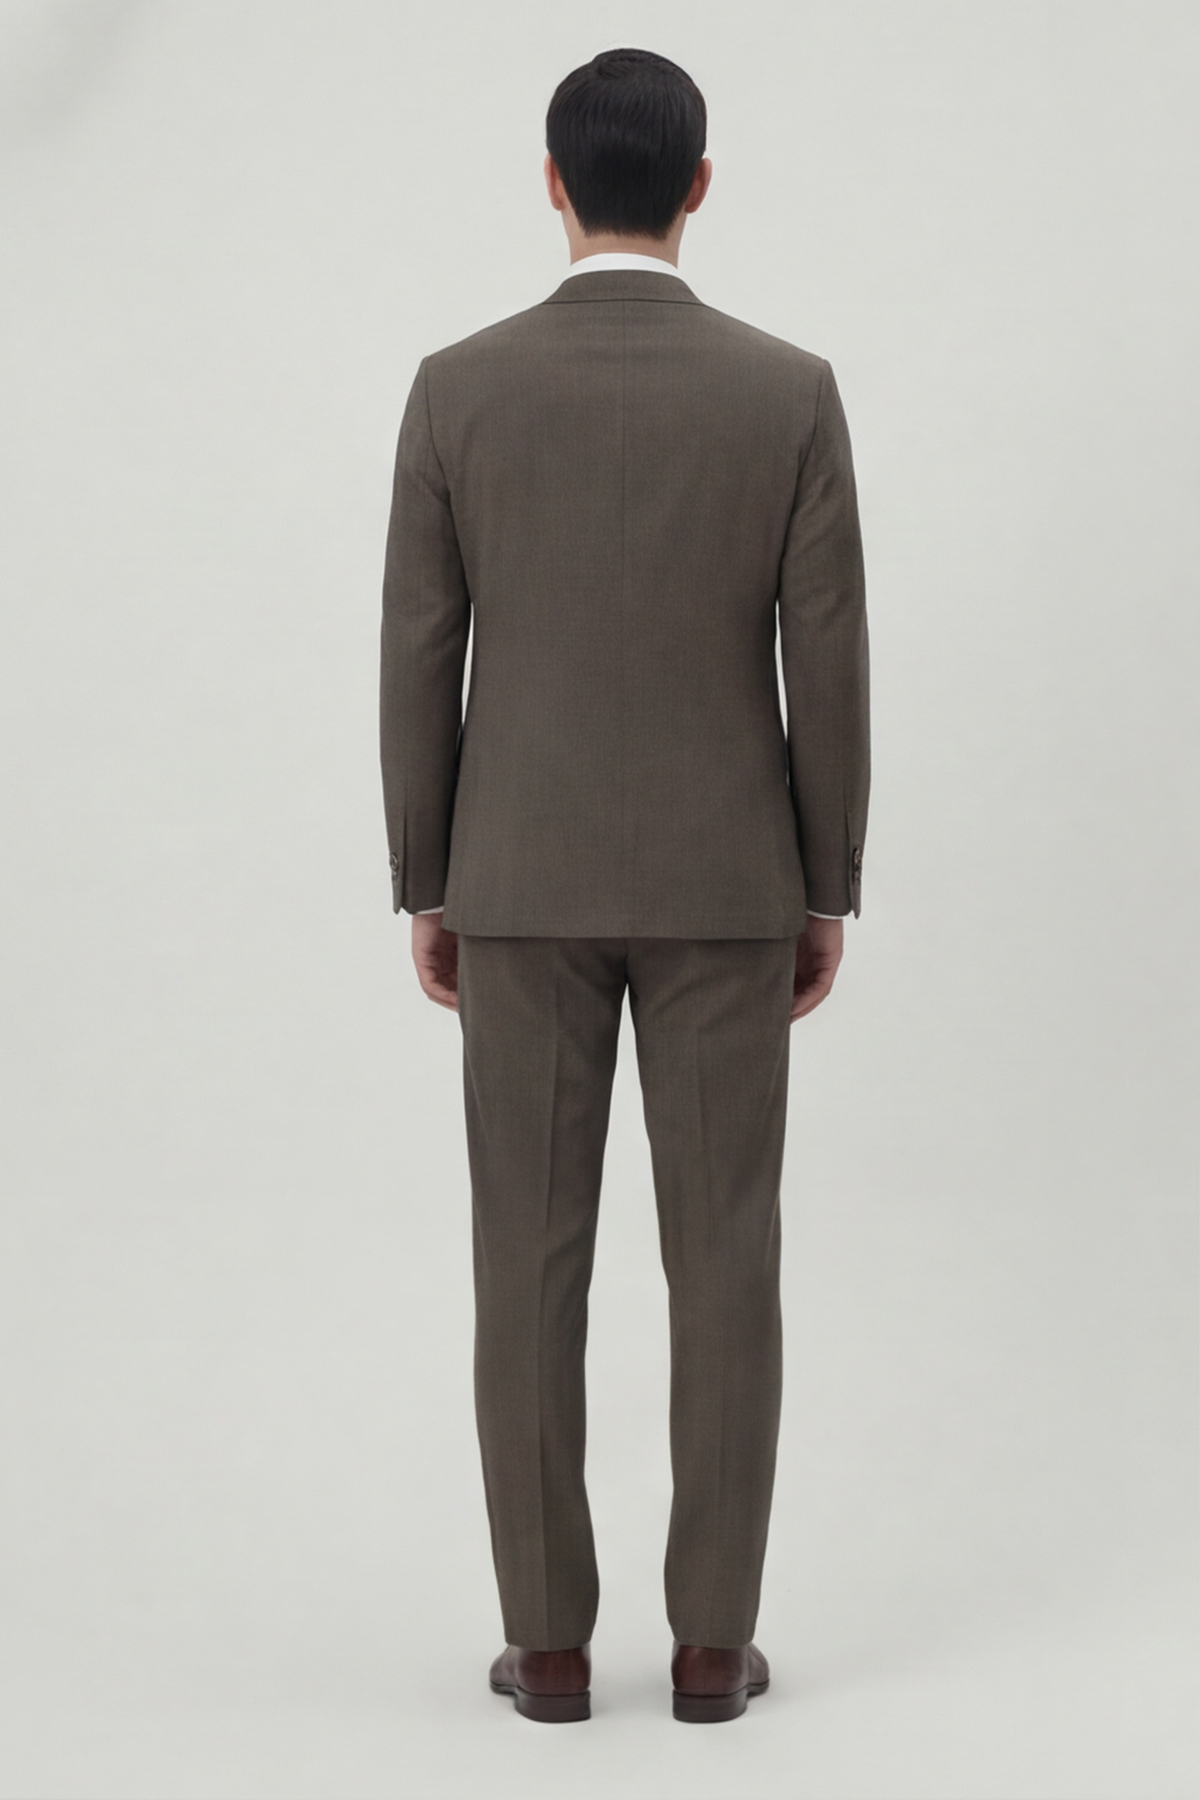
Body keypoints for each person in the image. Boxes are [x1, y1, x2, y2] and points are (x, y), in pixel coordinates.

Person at [379, 46, 869, 1725]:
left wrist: (429, 879)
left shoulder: (458, 389)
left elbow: (420, 652)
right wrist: (825, 885)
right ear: (699, 188)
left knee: (526, 1264)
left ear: (553, 182)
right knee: (727, 1261)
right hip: (733, 885)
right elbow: (829, 659)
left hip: (516, 880)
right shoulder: (787, 391)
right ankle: (716, 1647)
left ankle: (550, 1648)